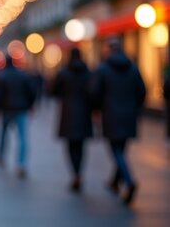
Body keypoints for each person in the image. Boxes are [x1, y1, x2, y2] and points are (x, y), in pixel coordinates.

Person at [92, 39, 145, 205]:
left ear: (109, 50)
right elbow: (142, 91)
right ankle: (115, 182)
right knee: (121, 148)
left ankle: (129, 182)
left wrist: (97, 109)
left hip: (111, 114)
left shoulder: (103, 68)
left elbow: (95, 92)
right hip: (129, 114)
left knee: (116, 150)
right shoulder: (133, 68)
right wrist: (134, 106)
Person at [51, 48, 93, 192]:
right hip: (84, 113)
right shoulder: (88, 73)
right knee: (81, 145)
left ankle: (75, 174)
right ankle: (79, 173)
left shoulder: (64, 72)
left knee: (70, 146)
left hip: (68, 112)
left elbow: (54, 91)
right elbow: (93, 92)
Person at [0, 55, 37, 178]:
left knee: (3, 133)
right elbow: (31, 91)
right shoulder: (23, 75)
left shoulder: (2, 76)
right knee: (22, 137)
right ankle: (21, 163)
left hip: (6, 109)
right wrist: (30, 105)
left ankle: (1, 155)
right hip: (21, 108)